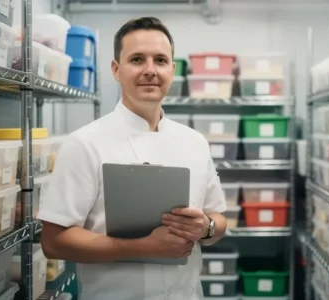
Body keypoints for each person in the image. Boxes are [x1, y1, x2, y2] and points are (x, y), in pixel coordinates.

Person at [37, 17, 227, 299]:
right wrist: (145, 247)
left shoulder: (195, 142)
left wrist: (206, 227)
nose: (150, 70)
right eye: (137, 59)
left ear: (172, 70)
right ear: (116, 69)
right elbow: (53, 242)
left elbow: (219, 219)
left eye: (161, 60)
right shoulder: (85, 143)